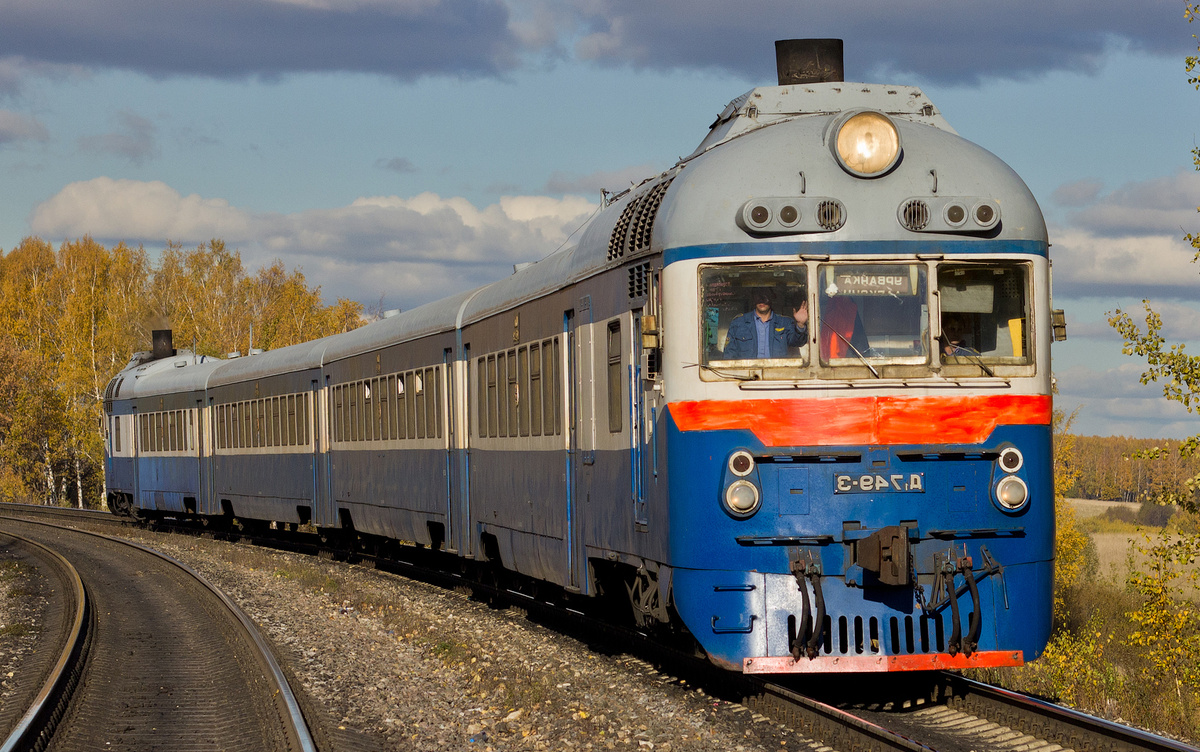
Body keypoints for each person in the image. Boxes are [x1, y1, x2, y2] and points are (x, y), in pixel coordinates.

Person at [722, 290, 808, 359]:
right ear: (753, 299)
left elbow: (797, 342)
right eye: (758, 296)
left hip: (777, 376)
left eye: (766, 295)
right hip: (746, 376)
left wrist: (800, 324)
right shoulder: (739, 323)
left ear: (772, 298)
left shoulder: (784, 322)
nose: (761, 300)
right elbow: (729, 355)